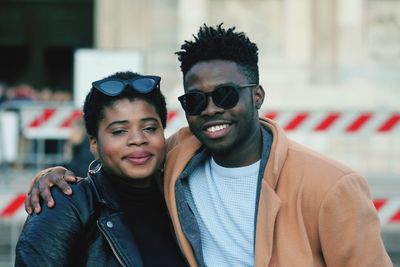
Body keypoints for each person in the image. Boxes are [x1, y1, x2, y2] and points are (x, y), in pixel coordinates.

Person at [24, 24, 392, 267]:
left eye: (226, 95)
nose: (212, 109)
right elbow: (121, 162)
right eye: (196, 101)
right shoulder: (178, 159)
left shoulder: (330, 186)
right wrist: (54, 174)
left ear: (258, 95)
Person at [16, 71, 187, 266]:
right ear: (94, 144)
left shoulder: (182, 200)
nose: (138, 139)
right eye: (119, 131)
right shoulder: (64, 206)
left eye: (149, 128)